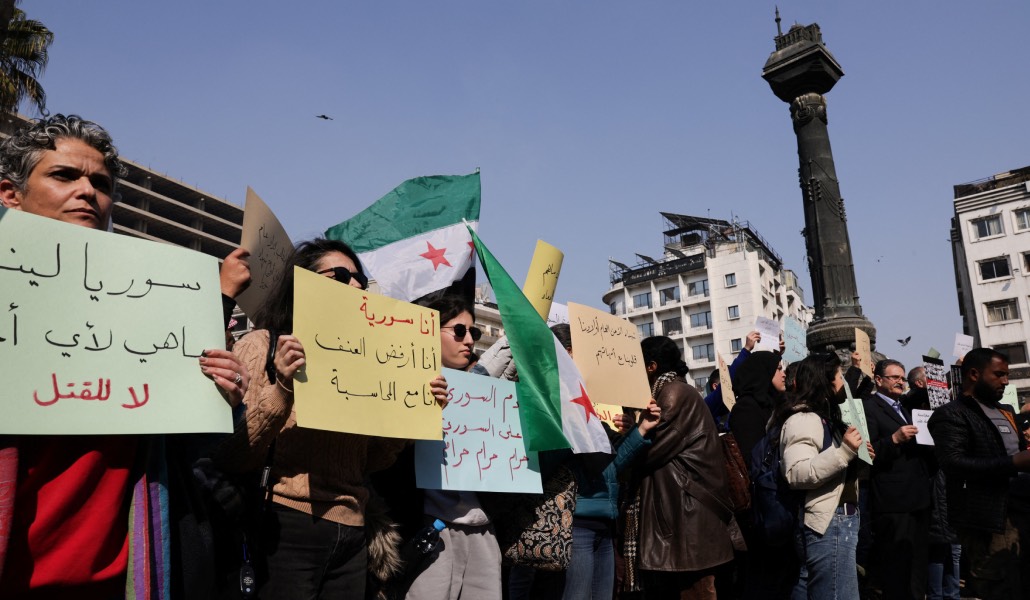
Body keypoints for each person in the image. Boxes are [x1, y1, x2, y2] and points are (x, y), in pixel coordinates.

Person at [0, 114, 249, 597]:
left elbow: (186, 452)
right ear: (10, 194)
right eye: (64, 175)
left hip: (128, 575)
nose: (87, 191)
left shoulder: (148, 299)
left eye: (100, 182)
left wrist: (218, 397)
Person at [212, 238, 446, 599]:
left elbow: (374, 461)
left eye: (359, 279)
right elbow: (234, 454)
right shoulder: (263, 345)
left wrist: (414, 413)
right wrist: (284, 390)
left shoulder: (372, 362)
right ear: (303, 282)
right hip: (283, 527)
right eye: (339, 275)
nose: (353, 285)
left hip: (353, 531)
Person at [400, 293, 502, 600]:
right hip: (429, 530)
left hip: (482, 530)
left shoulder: (487, 394)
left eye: (474, 332)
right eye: (459, 331)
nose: (469, 340)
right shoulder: (397, 386)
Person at [633, 335, 734, 599]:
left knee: (695, 591)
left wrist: (631, 435)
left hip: (686, 518)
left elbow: (648, 453)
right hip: (686, 516)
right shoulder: (679, 391)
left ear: (651, 366)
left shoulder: (673, 394)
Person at [927, 348, 1030, 599]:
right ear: (974, 374)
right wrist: (1013, 463)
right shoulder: (950, 415)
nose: (1005, 381)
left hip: (1022, 512)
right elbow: (954, 464)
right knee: (1000, 586)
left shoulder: (1006, 411)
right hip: (988, 521)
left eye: (1007, 375)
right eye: (999, 375)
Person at [773, 353, 866, 600]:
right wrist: (845, 451)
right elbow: (797, 472)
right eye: (839, 378)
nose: (842, 384)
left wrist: (858, 456)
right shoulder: (803, 419)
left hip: (839, 520)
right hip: (827, 524)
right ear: (823, 382)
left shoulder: (827, 418)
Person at [862, 359, 931, 599]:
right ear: (878, 380)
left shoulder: (906, 408)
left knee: (918, 564)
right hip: (893, 502)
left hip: (919, 497)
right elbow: (867, 454)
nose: (900, 382)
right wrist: (894, 439)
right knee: (896, 567)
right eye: (895, 377)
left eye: (902, 378)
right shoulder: (868, 407)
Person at [725, 351, 791, 598]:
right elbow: (754, 459)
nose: (783, 373)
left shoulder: (774, 404)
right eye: (777, 369)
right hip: (759, 507)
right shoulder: (746, 409)